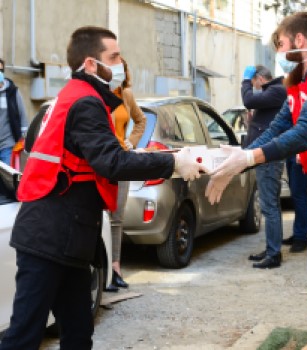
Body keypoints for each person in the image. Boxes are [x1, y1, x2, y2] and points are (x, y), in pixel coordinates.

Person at [0, 26, 206, 350]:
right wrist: (173, 164)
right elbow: (110, 163)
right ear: (91, 64)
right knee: (24, 338)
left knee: (79, 335)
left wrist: (150, 157)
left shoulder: (74, 97)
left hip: (66, 236)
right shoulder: (85, 103)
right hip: (50, 238)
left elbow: (95, 156)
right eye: (114, 57)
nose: (121, 63)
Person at [205, 11, 307, 350]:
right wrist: (237, 159)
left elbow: (306, 132)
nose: (279, 54)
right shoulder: (301, 84)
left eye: (281, 45)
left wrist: (250, 157)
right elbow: (277, 128)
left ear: (299, 41)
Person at [241, 64, 287, 268]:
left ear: (259, 78)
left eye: (253, 82)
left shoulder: (276, 91)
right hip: (265, 156)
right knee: (271, 206)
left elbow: (248, 99)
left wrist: (244, 82)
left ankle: (274, 254)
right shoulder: (274, 92)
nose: (253, 86)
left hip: (268, 158)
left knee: (269, 207)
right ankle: (271, 249)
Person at [107, 57, 146, 291]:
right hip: (101, 162)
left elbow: (140, 121)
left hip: (121, 161)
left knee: (116, 218)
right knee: (100, 217)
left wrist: (131, 142)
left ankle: (116, 269)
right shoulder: (98, 95)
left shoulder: (126, 95)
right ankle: (99, 271)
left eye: (120, 67)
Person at [0, 59, 28, 165]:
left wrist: (22, 138)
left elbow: (22, 115)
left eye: (1, 70)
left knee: (7, 178)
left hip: (7, 144)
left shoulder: (12, 91)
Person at [282, 154, 307, 252]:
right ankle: (298, 234)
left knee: (299, 195)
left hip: (300, 152)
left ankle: (301, 237)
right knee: (296, 195)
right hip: (291, 152)